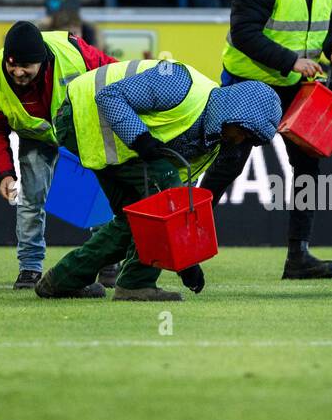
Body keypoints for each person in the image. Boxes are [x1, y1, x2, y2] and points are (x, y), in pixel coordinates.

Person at [35, 59, 282, 302]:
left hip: (105, 132)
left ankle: (61, 281)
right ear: (234, 114)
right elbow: (109, 97)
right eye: (243, 132)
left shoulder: (212, 141)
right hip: (80, 113)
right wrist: (142, 141)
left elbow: (180, 202)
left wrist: (186, 261)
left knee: (132, 220)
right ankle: (136, 283)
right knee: (160, 201)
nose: (240, 141)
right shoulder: (179, 84)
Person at [203, 0, 332, 280]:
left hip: (295, 83)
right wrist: (292, 61)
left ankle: (298, 255)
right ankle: (187, 236)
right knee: (230, 162)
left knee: (307, 167)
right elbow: (244, 34)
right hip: (251, 81)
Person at [0, 20, 116, 290]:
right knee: (30, 200)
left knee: (93, 194)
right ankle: (30, 268)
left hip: (79, 131)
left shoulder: (75, 55)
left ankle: (107, 261)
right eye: (11, 64)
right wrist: (6, 173)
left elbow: (113, 71)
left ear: (42, 62)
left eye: (25, 66)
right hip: (35, 137)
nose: (17, 72)